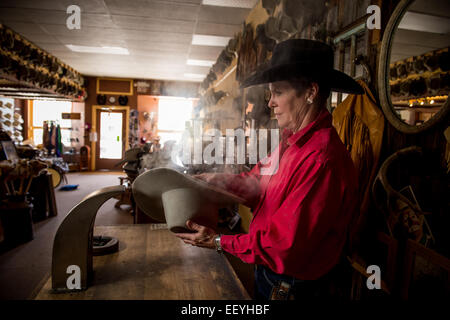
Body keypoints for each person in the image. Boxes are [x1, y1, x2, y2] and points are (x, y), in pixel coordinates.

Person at [175, 39, 363, 300]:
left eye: (278, 92)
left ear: (310, 92)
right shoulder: (292, 141)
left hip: (292, 286)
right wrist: (213, 182)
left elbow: (283, 246)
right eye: (269, 94)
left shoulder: (321, 160)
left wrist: (219, 242)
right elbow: (257, 182)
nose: (271, 102)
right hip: (272, 275)